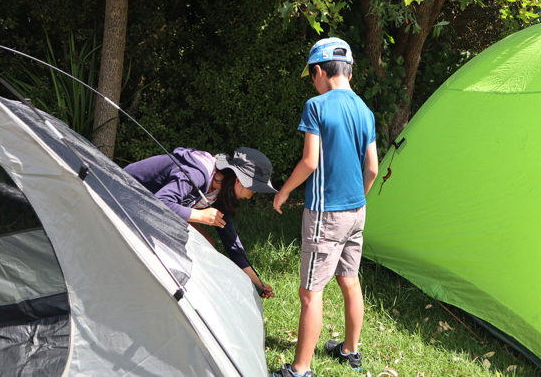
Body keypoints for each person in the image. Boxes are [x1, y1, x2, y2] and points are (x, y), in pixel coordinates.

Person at [272, 37, 379, 377]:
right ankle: (350, 351)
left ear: (318, 71)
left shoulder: (316, 106)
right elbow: (373, 167)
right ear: (349, 71)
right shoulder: (365, 110)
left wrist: (284, 191)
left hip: (324, 214)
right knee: (349, 280)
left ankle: (300, 370)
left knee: (309, 292)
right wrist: (356, 198)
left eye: (312, 76)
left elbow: (309, 161)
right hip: (357, 212)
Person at [124, 146, 277, 298]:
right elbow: (160, 202)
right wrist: (200, 216)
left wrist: (257, 283)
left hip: (144, 208)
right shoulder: (198, 174)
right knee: (189, 244)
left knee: (207, 242)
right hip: (123, 196)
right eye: (253, 190)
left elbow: (231, 241)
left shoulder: (220, 189)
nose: (252, 195)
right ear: (239, 181)